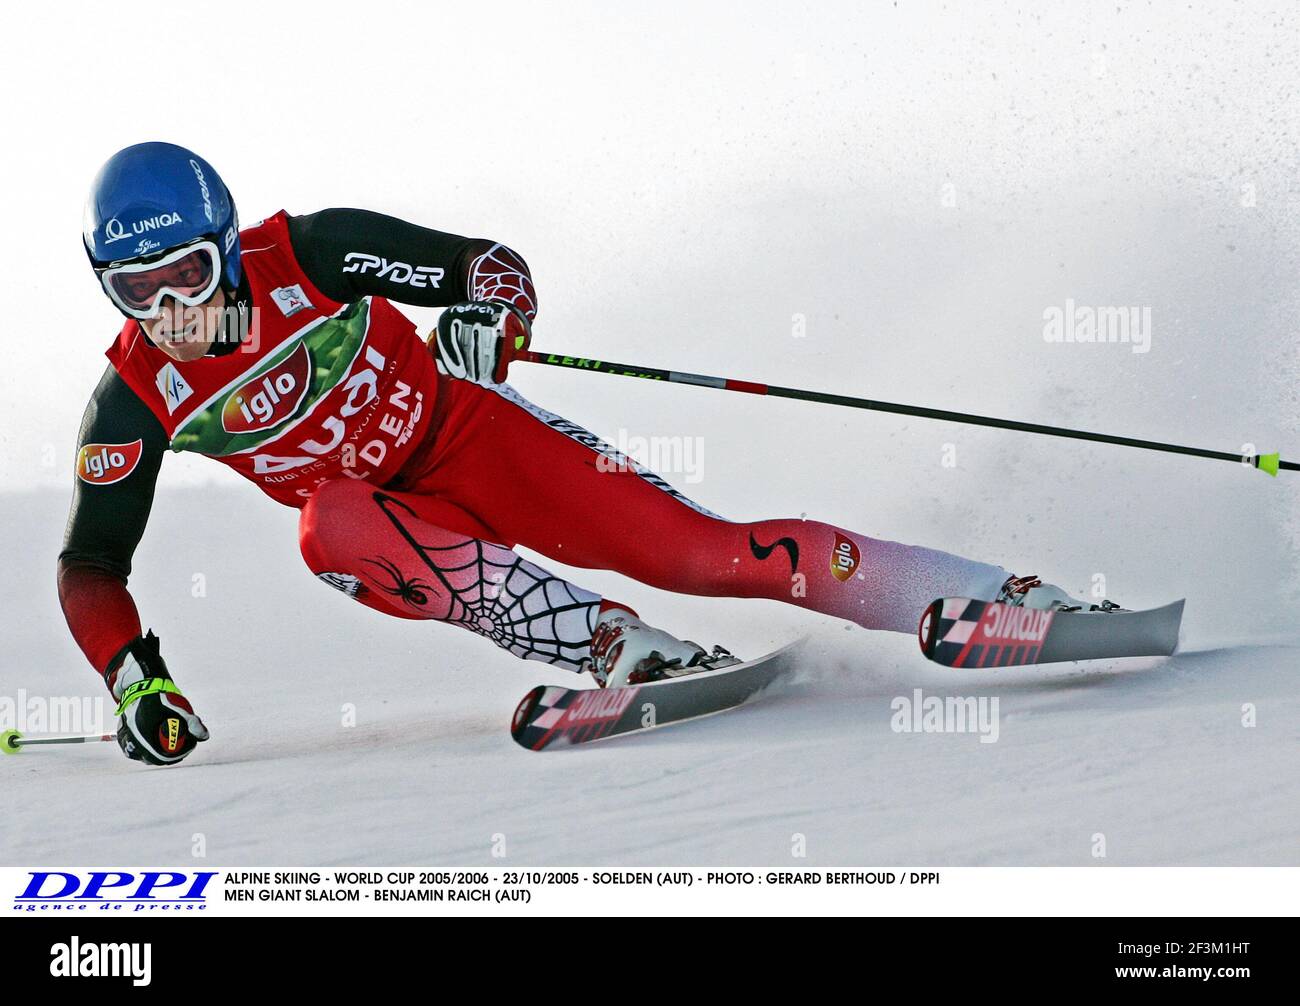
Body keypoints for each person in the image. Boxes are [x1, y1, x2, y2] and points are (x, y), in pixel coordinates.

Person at [63, 142, 1078, 767]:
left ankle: (999, 593)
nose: (171, 310)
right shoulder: (133, 398)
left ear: (226, 244)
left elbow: (485, 266)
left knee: (704, 556)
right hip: (401, 524)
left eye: (187, 273)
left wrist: (485, 317)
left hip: (482, 440)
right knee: (328, 522)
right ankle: (617, 649)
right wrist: (135, 680)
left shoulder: (311, 249)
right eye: (134, 288)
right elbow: (91, 567)